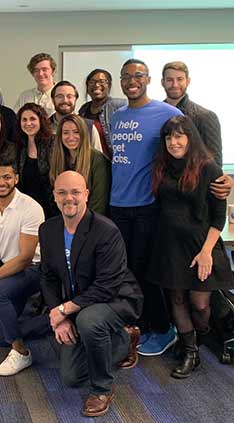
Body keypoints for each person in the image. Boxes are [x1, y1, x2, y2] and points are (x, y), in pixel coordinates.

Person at [39, 171, 143, 417]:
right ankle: (123, 341)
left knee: (89, 321)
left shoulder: (106, 230)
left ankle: (101, 389)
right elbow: (47, 276)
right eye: (62, 192)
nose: (69, 198)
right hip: (78, 303)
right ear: (54, 196)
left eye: (75, 192)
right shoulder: (48, 230)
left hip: (116, 298)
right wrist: (60, 314)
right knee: (71, 377)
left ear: (86, 194)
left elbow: (107, 285)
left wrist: (66, 309)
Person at [148, 116, 234, 378]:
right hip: (169, 245)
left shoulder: (208, 168)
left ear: (190, 138)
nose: (173, 142)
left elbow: (219, 217)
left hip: (201, 246)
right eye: (169, 137)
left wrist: (207, 251)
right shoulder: (161, 166)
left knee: (200, 304)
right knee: (176, 298)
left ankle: (202, 336)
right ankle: (190, 350)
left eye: (179, 136)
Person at [110, 58, 185, 357]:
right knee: (124, 272)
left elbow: (186, 153)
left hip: (146, 206)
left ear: (148, 79)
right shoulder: (118, 116)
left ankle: (164, 328)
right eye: (126, 76)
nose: (131, 81)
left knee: (144, 271)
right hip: (117, 205)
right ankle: (139, 326)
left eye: (138, 75)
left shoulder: (168, 113)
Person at [0, 157, 45, 377]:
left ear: (16, 179)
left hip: (36, 268)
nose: (1, 182)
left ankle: (20, 351)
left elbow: (25, 257)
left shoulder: (31, 207)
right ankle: (53, 322)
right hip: (10, 270)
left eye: (7, 177)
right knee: (1, 338)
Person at [162, 61, 222, 167]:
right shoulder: (155, 115)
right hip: (161, 180)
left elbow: (215, 163)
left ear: (188, 81)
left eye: (180, 79)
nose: (175, 84)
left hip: (195, 181)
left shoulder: (205, 117)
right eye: (169, 80)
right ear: (163, 82)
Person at [49, 113, 110, 214]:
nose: (71, 137)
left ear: (83, 133)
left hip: (91, 221)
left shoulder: (98, 159)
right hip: (65, 219)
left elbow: (99, 203)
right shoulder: (57, 159)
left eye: (76, 132)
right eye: (66, 133)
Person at [16, 103, 56, 218]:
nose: (28, 123)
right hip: (27, 210)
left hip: (51, 208)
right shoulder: (20, 146)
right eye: (24, 120)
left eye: (32, 119)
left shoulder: (53, 142)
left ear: (41, 121)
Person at [78, 69, 126, 159]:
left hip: (113, 163)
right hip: (91, 164)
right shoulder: (83, 110)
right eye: (92, 82)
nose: (96, 85)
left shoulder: (119, 106)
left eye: (102, 81)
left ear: (109, 85)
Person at [49, 80, 102, 152]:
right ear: (53, 100)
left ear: (75, 99)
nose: (65, 100)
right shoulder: (44, 126)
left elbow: (98, 160)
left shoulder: (89, 127)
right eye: (60, 96)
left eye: (69, 96)